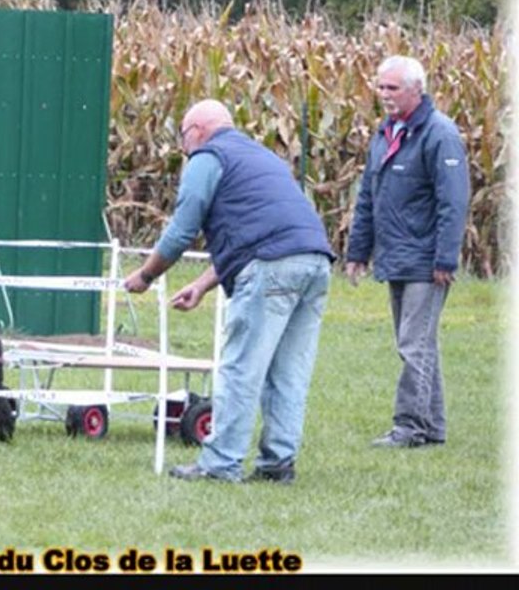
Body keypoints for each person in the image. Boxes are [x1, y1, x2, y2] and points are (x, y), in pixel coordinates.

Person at [124, 99, 334, 484]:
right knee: (289, 372)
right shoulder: (261, 157)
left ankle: (220, 464)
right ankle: (277, 464)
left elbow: (182, 231)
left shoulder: (208, 157)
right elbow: (257, 228)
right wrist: (203, 285)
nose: (184, 148)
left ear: (198, 131)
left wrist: (146, 275)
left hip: (271, 266)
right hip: (316, 262)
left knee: (241, 368)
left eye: (183, 139)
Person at [345, 55, 470, 449]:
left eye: (392, 88)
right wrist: (357, 251)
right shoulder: (386, 133)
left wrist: (445, 258)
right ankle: (432, 428)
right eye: (380, 87)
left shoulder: (440, 134)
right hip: (396, 256)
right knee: (420, 343)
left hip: (427, 261)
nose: (384, 95)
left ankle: (408, 428)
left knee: (412, 344)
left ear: (417, 89)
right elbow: (368, 197)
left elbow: (454, 201)